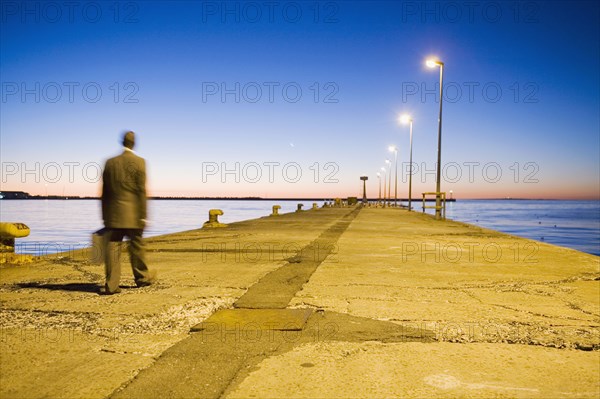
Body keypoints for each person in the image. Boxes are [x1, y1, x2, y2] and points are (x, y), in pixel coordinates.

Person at [100, 131, 156, 295]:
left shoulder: (110, 162)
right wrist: (144, 214)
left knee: (113, 249)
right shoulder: (139, 162)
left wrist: (105, 216)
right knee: (137, 247)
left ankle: (111, 285)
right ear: (134, 144)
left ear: (122, 142)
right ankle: (142, 278)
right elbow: (141, 191)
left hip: (114, 215)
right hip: (133, 214)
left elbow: (105, 192)